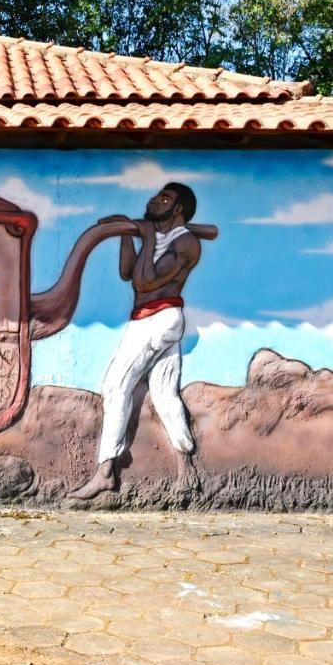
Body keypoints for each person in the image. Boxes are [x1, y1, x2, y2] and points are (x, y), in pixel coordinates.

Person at [69, 182, 202, 501]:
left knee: (115, 386)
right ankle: (187, 469)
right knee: (164, 393)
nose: (154, 200)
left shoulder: (187, 243)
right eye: (157, 196)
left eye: (165, 199)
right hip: (150, 319)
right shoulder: (158, 234)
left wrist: (148, 234)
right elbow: (129, 273)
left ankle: (105, 473)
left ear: (178, 210)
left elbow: (147, 280)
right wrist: (128, 234)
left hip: (158, 319)